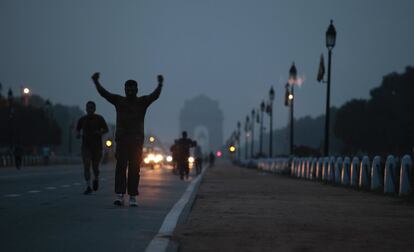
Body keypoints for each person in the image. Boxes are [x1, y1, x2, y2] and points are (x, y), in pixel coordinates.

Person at [91, 72, 163, 206]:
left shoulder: (142, 102)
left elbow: (155, 96)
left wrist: (160, 85)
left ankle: (133, 196)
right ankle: (119, 195)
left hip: (136, 141)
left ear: (137, 90)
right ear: (124, 89)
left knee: (135, 169)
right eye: (127, 88)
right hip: (122, 140)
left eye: (132, 88)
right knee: (121, 167)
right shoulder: (119, 101)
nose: (130, 91)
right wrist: (96, 83)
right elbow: (104, 93)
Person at [76, 101, 109, 195]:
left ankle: (96, 179)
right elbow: (77, 129)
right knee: (86, 165)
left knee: (95, 167)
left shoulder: (99, 118)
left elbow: (106, 129)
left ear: (94, 109)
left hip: (97, 147)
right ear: (86, 109)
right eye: (88, 107)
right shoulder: (82, 119)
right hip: (86, 146)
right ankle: (88, 186)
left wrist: (99, 132)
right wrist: (78, 134)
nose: (89, 109)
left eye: (91, 108)